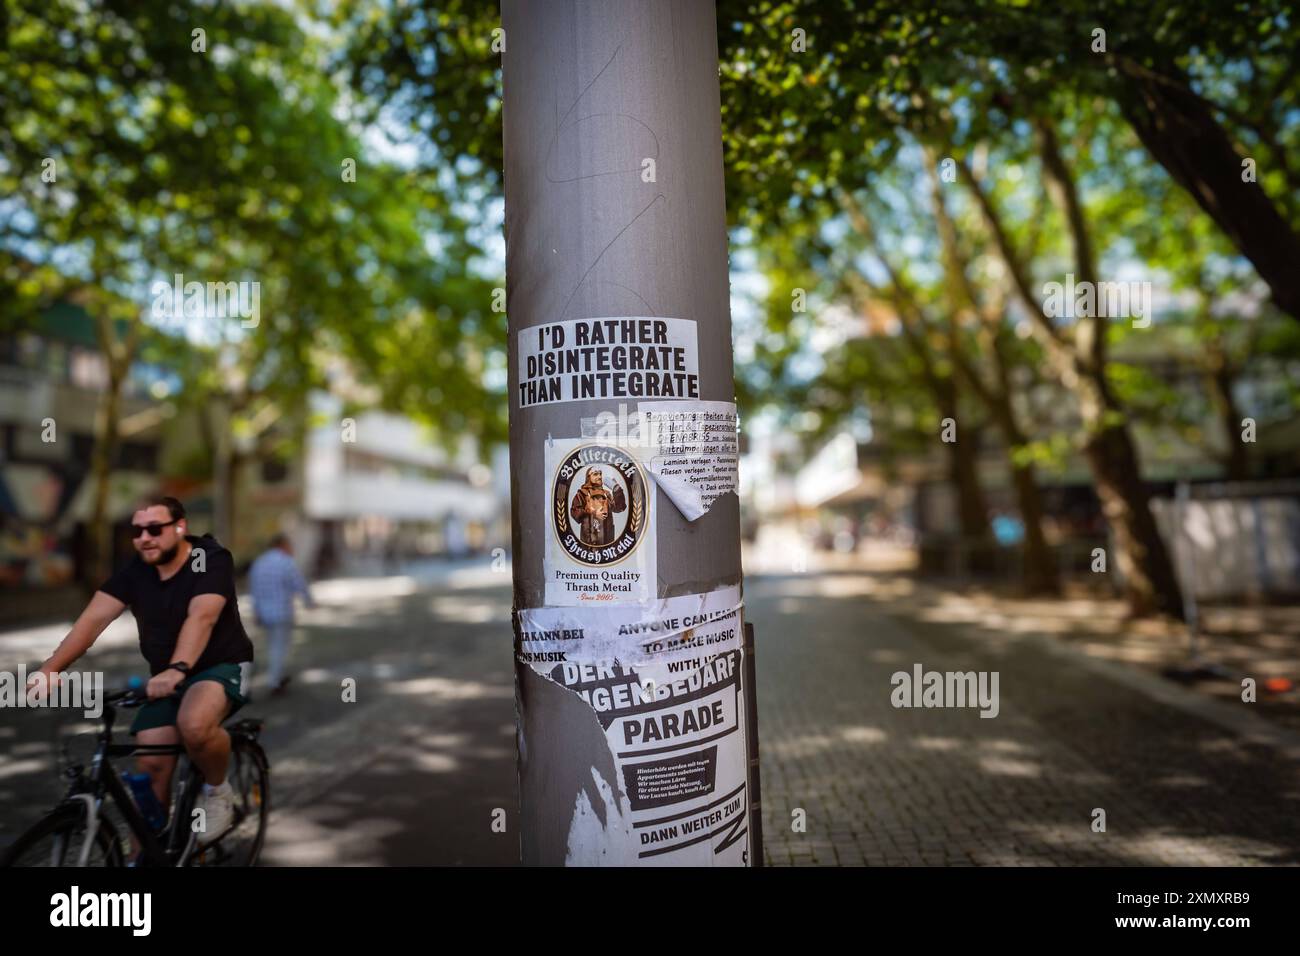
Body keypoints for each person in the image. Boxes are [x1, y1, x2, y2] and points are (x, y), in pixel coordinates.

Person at [26, 496, 253, 846]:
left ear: (180, 527)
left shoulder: (207, 559)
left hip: (219, 666)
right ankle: (148, 853)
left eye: (155, 528)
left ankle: (217, 791)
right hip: (168, 677)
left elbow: (202, 616)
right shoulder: (136, 571)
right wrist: (51, 669)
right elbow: (92, 621)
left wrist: (178, 667)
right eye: (137, 530)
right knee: (152, 763)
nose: (145, 537)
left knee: (194, 725)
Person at [247, 532, 313, 696]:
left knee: (266, 647)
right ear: (283, 545)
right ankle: (274, 682)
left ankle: (245, 684)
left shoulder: (259, 562)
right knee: (279, 648)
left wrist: (256, 610)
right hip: (282, 611)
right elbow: (298, 583)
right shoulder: (286, 562)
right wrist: (308, 601)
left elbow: (254, 589)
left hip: (264, 612)